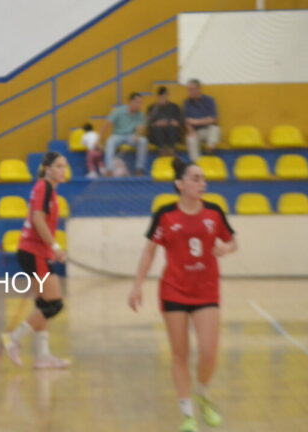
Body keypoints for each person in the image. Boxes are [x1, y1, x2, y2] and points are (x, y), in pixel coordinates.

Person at [128, 158, 237, 432]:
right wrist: (137, 285)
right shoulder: (165, 214)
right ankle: (187, 414)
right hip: (174, 290)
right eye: (196, 178)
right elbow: (149, 251)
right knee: (180, 354)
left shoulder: (214, 212)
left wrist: (227, 249)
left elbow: (232, 240)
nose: (203, 183)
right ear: (180, 184)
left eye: (203, 178)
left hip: (206, 290)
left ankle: (203, 393)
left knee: (209, 352)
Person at [1, 152, 70, 369]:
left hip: (35, 251)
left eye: (64, 166)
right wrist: (55, 246)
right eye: (58, 166)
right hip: (35, 251)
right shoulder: (44, 187)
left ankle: (43, 356)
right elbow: (38, 218)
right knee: (54, 304)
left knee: (42, 304)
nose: (62, 170)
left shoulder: (47, 189)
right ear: (47, 168)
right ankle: (13, 339)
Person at [101, 93, 148, 176]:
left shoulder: (140, 115)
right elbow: (107, 124)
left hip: (131, 136)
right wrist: (99, 138)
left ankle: (139, 169)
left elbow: (140, 129)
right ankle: (109, 169)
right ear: (130, 102)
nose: (139, 104)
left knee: (143, 141)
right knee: (110, 141)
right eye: (137, 102)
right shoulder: (118, 111)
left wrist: (137, 135)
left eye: (140, 102)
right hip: (118, 135)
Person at [183, 79, 220, 161]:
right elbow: (186, 121)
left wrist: (196, 121)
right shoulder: (187, 103)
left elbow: (213, 119)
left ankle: (210, 150)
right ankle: (196, 162)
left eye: (192, 90)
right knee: (190, 138)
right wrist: (190, 130)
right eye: (188, 90)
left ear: (199, 89)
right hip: (196, 132)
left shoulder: (209, 100)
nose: (190, 92)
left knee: (215, 129)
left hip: (208, 130)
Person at [147, 86, 183, 155]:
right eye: (161, 97)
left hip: (171, 133)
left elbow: (179, 122)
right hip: (157, 136)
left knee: (171, 127)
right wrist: (156, 123)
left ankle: (171, 149)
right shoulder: (152, 108)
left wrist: (170, 122)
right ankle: (161, 149)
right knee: (157, 128)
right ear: (158, 97)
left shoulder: (174, 107)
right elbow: (149, 124)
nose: (163, 99)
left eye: (165, 96)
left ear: (168, 96)